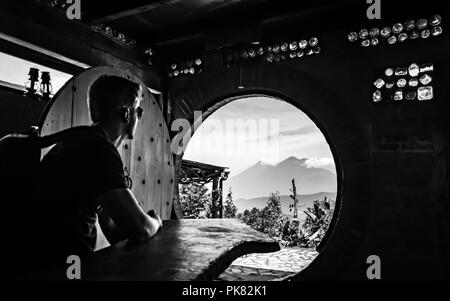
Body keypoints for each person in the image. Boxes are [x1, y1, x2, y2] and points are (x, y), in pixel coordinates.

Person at [31, 75, 162, 271]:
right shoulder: (99, 149)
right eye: (139, 111)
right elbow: (140, 229)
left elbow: (110, 224)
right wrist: (157, 223)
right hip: (57, 270)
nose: (140, 116)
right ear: (126, 114)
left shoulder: (80, 142)